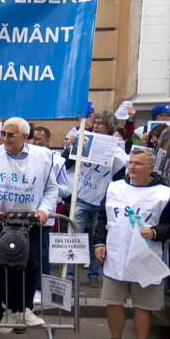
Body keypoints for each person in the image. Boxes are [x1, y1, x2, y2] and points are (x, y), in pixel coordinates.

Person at [94, 148, 170, 339]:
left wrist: (155, 232)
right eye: (130, 162)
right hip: (116, 254)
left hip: (146, 256)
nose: (131, 166)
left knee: (144, 305)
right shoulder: (115, 188)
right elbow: (103, 216)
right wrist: (99, 242)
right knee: (114, 301)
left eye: (137, 163)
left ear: (150, 167)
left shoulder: (164, 194)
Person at [0, 117, 58, 333]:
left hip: (30, 223)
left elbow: (52, 189)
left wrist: (43, 210)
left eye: (9, 135)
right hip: (0, 222)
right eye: (3, 133)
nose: (4, 138)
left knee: (29, 265)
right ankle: (8, 311)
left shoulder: (44, 157)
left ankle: (24, 309)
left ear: (25, 137)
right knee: (2, 266)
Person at [63, 111, 128, 286]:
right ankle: (70, 275)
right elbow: (66, 163)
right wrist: (70, 148)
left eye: (101, 123)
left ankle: (93, 274)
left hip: (101, 199)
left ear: (110, 127)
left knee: (96, 237)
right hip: (82, 196)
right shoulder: (84, 139)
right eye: (96, 122)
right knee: (74, 235)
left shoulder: (116, 150)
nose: (97, 125)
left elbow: (119, 175)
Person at [31, 126, 71, 305]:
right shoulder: (24, 158)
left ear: (48, 142)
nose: (34, 142)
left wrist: (50, 185)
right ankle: (28, 287)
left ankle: (40, 288)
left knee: (43, 253)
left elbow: (66, 190)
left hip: (45, 216)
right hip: (25, 214)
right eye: (32, 139)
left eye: (39, 139)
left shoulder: (57, 161)